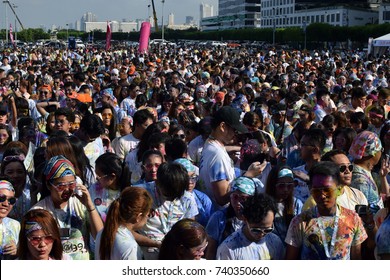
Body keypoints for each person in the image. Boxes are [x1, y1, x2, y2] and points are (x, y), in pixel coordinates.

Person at [285, 161, 367, 260]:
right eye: (316, 191)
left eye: (327, 190)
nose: (322, 195)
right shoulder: (300, 222)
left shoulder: (353, 219)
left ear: (339, 189)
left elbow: (356, 258)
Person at [31, 155, 103, 260]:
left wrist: (90, 206)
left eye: (71, 185)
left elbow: (99, 235)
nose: (67, 190)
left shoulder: (79, 204)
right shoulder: (39, 211)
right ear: (48, 185)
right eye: (61, 186)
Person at [199, 106, 263, 210]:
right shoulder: (217, 154)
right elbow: (222, 198)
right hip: (221, 215)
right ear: (222, 126)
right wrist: (248, 175)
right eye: (234, 130)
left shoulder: (209, 143)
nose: (235, 134)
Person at [136, 162, 198, 260]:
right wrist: (155, 244)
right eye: (167, 194)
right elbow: (126, 230)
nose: (172, 198)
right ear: (157, 182)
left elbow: (190, 230)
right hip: (144, 255)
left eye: (175, 195)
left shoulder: (187, 199)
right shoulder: (140, 194)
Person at [216, 193, 285, 260]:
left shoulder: (276, 242)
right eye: (256, 230)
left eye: (268, 230)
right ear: (245, 220)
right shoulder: (228, 249)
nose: (262, 234)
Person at [95, 187, 153, 260]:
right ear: (138, 217)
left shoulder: (103, 232)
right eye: (148, 215)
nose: (147, 218)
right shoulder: (130, 248)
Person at [349, 131, 389, 214]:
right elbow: (362, 214)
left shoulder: (363, 171)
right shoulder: (360, 181)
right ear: (373, 153)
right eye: (381, 150)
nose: (381, 153)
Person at [89, 153, 131, 222]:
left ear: (112, 177)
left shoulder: (127, 194)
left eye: (99, 175)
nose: (96, 178)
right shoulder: (94, 189)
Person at [265, 166, 303, 243]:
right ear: (273, 185)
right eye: (281, 185)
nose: (286, 190)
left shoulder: (297, 204)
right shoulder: (264, 204)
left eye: (290, 186)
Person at [174, 158, 212, 227]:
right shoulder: (167, 199)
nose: (190, 182)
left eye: (193, 177)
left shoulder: (204, 200)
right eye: (185, 178)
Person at [0, 178, 19, 259]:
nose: (6, 204)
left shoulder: (15, 225)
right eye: (1, 198)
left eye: (11, 200)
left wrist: (17, 250)